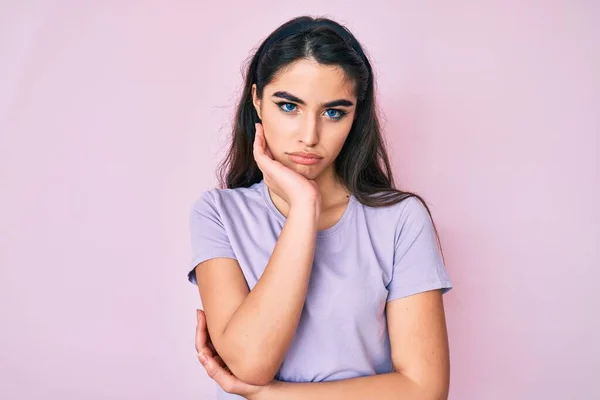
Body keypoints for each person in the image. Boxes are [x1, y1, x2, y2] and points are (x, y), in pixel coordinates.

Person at [187, 15, 453, 400]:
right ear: (257, 100)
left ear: (356, 115)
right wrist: (304, 206)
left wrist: (271, 396)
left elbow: (424, 390)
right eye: (289, 106)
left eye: (333, 112)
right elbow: (251, 363)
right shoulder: (218, 214)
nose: (309, 136)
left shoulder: (400, 220)